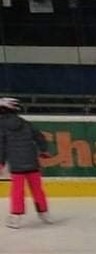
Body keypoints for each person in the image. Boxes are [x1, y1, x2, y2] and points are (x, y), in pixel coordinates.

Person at [0, 97, 52, 228]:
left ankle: (16, 217)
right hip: (32, 161)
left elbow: (1, 145)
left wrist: (1, 162)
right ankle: (44, 213)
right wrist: (44, 150)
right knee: (37, 189)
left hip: (16, 164)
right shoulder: (26, 123)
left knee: (17, 190)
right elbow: (39, 137)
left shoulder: (1, 125)